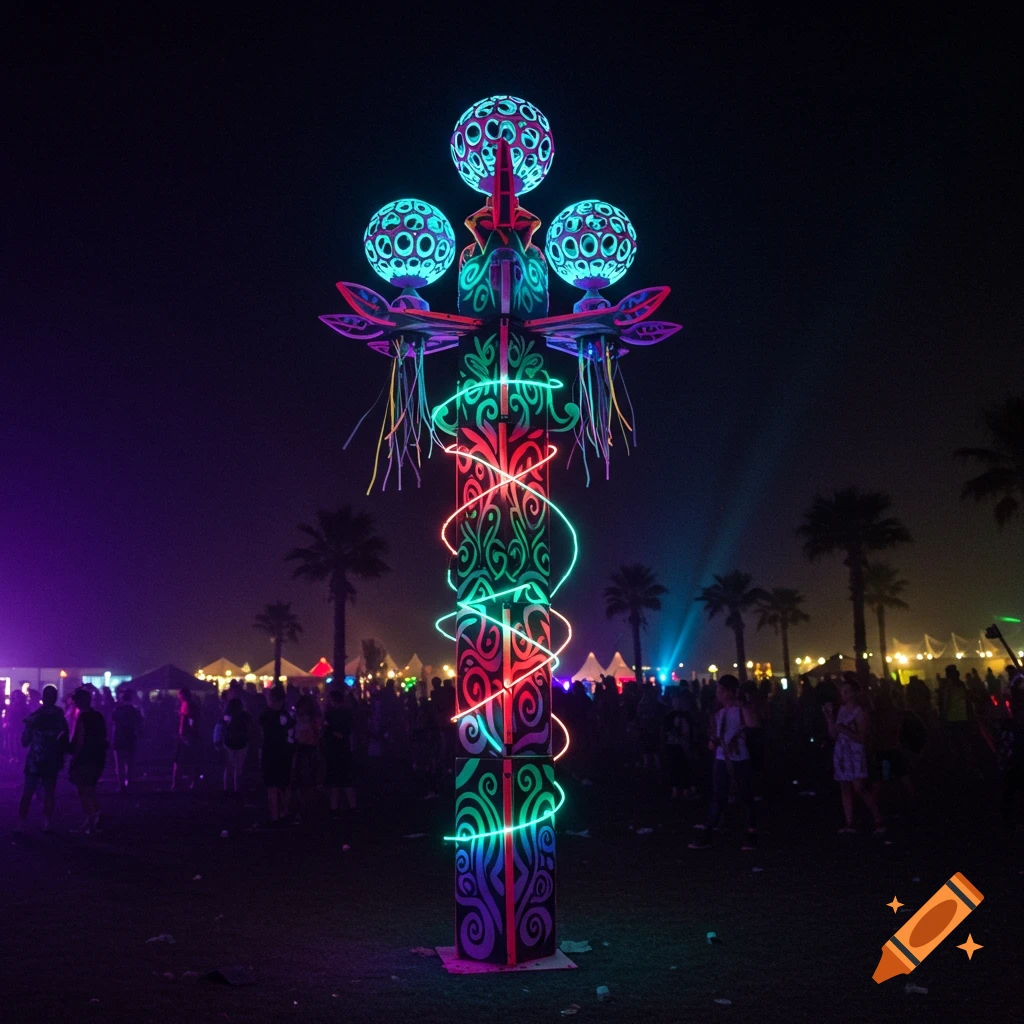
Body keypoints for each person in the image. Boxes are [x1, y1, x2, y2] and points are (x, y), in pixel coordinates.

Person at [689, 676, 757, 851]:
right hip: (721, 757)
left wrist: (742, 704)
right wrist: (713, 741)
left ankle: (751, 832)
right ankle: (709, 832)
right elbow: (717, 735)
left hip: (740, 758)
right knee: (718, 795)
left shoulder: (740, 709)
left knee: (745, 795)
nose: (718, 693)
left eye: (721, 690)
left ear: (729, 691)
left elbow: (752, 724)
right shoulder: (719, 711)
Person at [824, 678, 884, 835]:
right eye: (843, 691)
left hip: (855, 753)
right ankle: (849, 822)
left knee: (859, 788)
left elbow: (862, 738)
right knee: (845, 788)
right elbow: (833, 735)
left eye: (848, 691)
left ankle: (878, 819)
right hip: (842, 752)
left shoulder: (860, 712)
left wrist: (843, 729)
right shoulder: (842, 710)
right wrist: (829, 718)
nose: (845, 694)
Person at [15, 685, 69, 834]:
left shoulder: (34, 717)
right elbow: (65, 738)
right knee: (49, 792)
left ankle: (21, 824)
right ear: (56, 698)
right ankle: (47, 823)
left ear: (43, 698)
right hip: (52, 759)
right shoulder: (60, 717)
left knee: (28, 791)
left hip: (35, 759)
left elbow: (25, 741)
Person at [67, 688, 108, 833]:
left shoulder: (82, 718)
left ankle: (92, 819)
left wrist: (72, 753)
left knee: (83, 790)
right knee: (90, 788)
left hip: (85, 757)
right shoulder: (98, 716)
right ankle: (96, 815)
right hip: (98, 757)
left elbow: (79, 740)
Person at [259, 687, 294, 824]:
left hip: (270, 751)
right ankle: (284, 811)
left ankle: (275, 815)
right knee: (284, 783)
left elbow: (261, 733)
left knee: (272, 785)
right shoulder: (287, 715)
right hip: (284, 751)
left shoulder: (266, 715)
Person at [323, 688, 356, 813]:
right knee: (344, 781)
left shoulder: (332, 715)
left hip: (336, 750)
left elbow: (331, 731)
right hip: (342, 749)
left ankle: (335, 807)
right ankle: (350, 806)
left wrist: (329, 731)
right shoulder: (346, 714)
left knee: (336, 782)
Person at [291, 694, 322, 821]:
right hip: (311, 748)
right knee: (310, 779)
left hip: (304, 748)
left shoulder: (301, 718)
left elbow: (297, 733)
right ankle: (309, 807)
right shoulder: (316, 718)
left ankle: (303, 807)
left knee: (301, 780)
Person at [111, 688, 143, 791]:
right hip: (130, 738)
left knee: (119, 764)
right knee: (130, 763)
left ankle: (121, 785)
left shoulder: (117, 710)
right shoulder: (135, 711)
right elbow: (140, 724)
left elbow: (112, 722)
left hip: (119, 738)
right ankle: (130, 783)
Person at [217, 697, 250, 793]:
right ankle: (237, 788)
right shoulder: (245, 715)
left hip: (229, 742)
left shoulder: (226, 715)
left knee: (228, 767)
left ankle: (227, 788)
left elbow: (220, 728)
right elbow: (250, 728)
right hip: (242, 742)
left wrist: (218, 742)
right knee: (238, 767)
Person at [171, 686, 201, 790]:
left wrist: (188, 733)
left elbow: (192, 720)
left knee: (185, 760)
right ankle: (182, 783)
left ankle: (183, 783)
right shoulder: (187, 704)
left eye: (179, 694)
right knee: (186, 760)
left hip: (187, 736)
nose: (178, 696)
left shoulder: (188, 704)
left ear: (183, 694)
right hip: (185, 736)